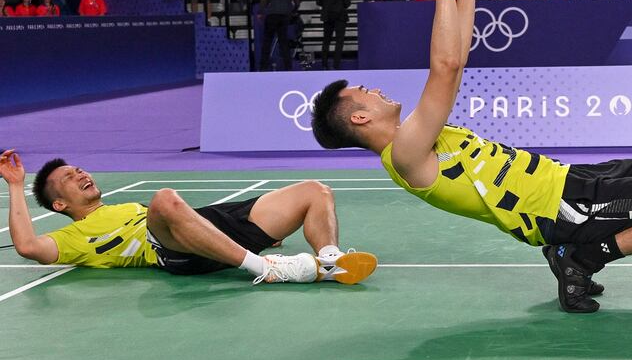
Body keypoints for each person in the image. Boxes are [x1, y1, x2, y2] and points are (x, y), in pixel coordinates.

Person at [310, 0, 632, 314]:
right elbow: (446, 65)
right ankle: (582, 257)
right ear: (359, 118)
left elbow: (457, 60)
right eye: (365, 91)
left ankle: (577, 254)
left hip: (565, 179)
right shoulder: (405, 153)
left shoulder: (416, 135)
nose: (375, 89)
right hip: (560, 208)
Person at [0, 150, 376, 285]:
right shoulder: (73, 237)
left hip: (204, 226)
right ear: (60, 205)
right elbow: (28, 246)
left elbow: (185, 218)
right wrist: (15, 184)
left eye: (79, 169)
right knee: (164, 199)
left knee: (315, 190)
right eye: (68, 177)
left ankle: (331, 260)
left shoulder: (120, 207)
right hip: (168, 251)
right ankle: (265, 267)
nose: (81, 174)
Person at [260, 0, 298, 71]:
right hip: (285, 15)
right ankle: (288, 68)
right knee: (283, 42)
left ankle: (263, 68)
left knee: (267, 41)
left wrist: (261, 11)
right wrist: (293, 10)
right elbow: (297, 1)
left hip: (272, 14)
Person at [317, 0, 351, 70]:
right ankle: (336, 65)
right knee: (339, 42)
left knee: (326, 41)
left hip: (327, 15)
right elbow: (347, 3)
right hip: (340, 16)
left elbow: (318, 1)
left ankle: (324, 64)